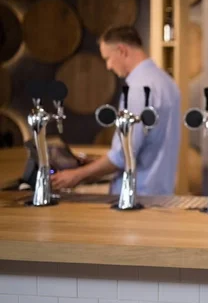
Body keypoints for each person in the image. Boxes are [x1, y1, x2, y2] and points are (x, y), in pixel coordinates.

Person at [51, 25, 181, 196]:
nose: (108, 66)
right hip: (161, 192)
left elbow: (123, 156)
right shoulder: (167, 82)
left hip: (135, 196)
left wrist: (76, 175)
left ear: (122, 50)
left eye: (108, 58)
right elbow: (147, 147)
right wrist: (94, 163)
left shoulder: (138, 89)